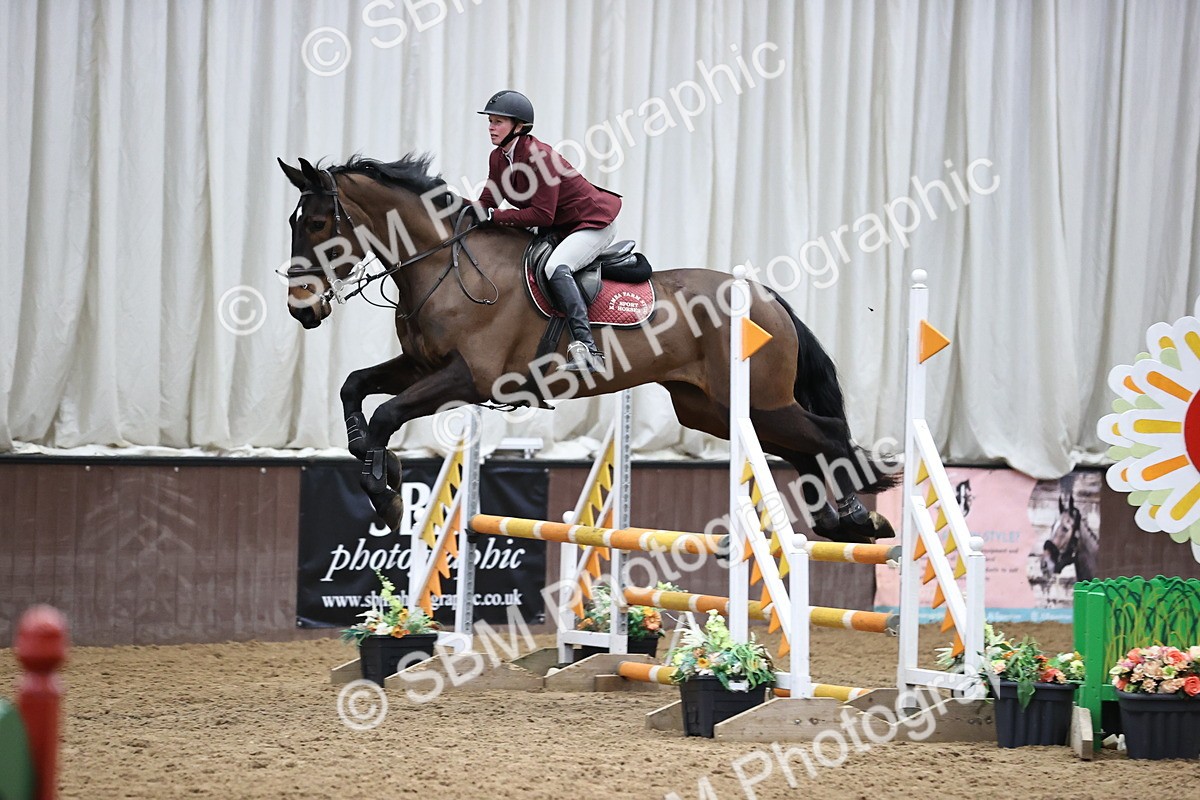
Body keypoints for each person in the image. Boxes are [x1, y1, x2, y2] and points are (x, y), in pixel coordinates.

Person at [472, 90, 621, 373]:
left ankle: (588, 349)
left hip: (591, 223)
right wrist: (450, 204)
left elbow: (542, 214)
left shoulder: (540, 156)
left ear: (519, 127)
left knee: (556, 266)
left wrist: (495, 216)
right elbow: (487, 204)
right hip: (558, 226)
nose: (491, 127)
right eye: (490, 121)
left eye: (498, 122)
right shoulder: (499, 158)